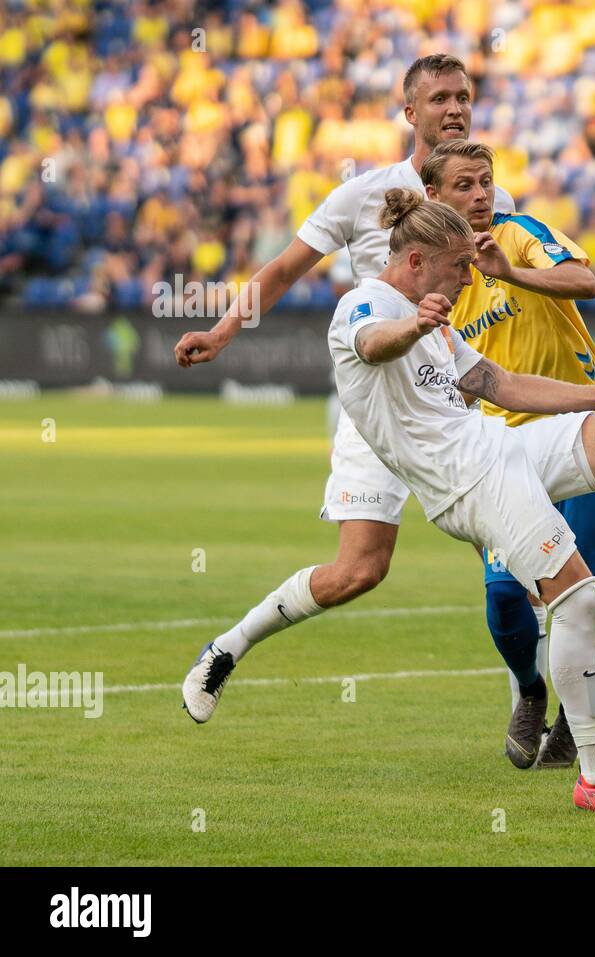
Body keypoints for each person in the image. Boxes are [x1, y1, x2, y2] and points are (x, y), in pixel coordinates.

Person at [186, 190, 595, 812]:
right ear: (415, 261)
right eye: (456, 268)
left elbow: (502, 385)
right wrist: (416, 327)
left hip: (498, 446)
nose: (467, 279)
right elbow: (372, 343)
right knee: (581, 597)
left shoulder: (440, 324)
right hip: (466, 484)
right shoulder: (364, 306)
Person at [174, 56, 523, 723]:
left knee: (510, 544)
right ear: (409, 111)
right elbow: (282, 270)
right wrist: (221, 333)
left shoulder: (493, 199)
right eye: (440, 97)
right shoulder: (363, 195)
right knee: (359, 570)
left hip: (453, 395)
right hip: (377, 402)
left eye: (464, 97)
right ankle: (227, 646)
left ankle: (527, 696)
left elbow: (507, 293)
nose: (455, 108)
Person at [420, 139, 595, 770]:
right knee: (504, 594)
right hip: (504, 449)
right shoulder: (438, 287)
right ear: (435, 198)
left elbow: (585, 280)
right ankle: (530, 691)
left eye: (485, 183)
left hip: (581, 431)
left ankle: (570, 722)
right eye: (464, 186)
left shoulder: (521, 233)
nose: (479, 196)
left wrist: (510, 272)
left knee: (580, 590)